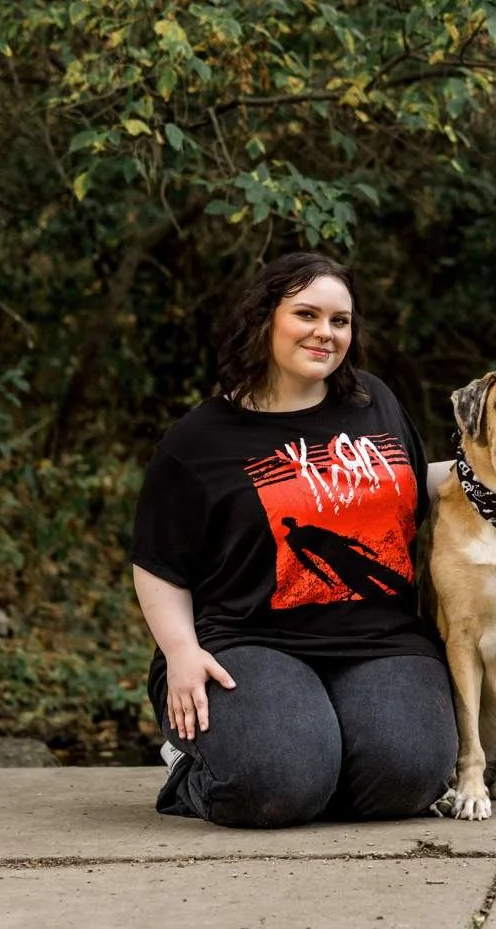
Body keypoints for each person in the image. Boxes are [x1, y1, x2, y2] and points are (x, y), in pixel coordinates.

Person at [128, 251, 456, 828]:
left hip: (381, 639)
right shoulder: (201, 438)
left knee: (410, 777)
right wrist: (181, 653)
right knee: (275, 787)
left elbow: (411, 481)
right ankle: (196, 770)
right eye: (306, 314)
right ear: (265, 319)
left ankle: (319, 757)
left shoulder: (373, 400)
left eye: (340, 321)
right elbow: (159, 562)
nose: (324, 333)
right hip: (247, 641)